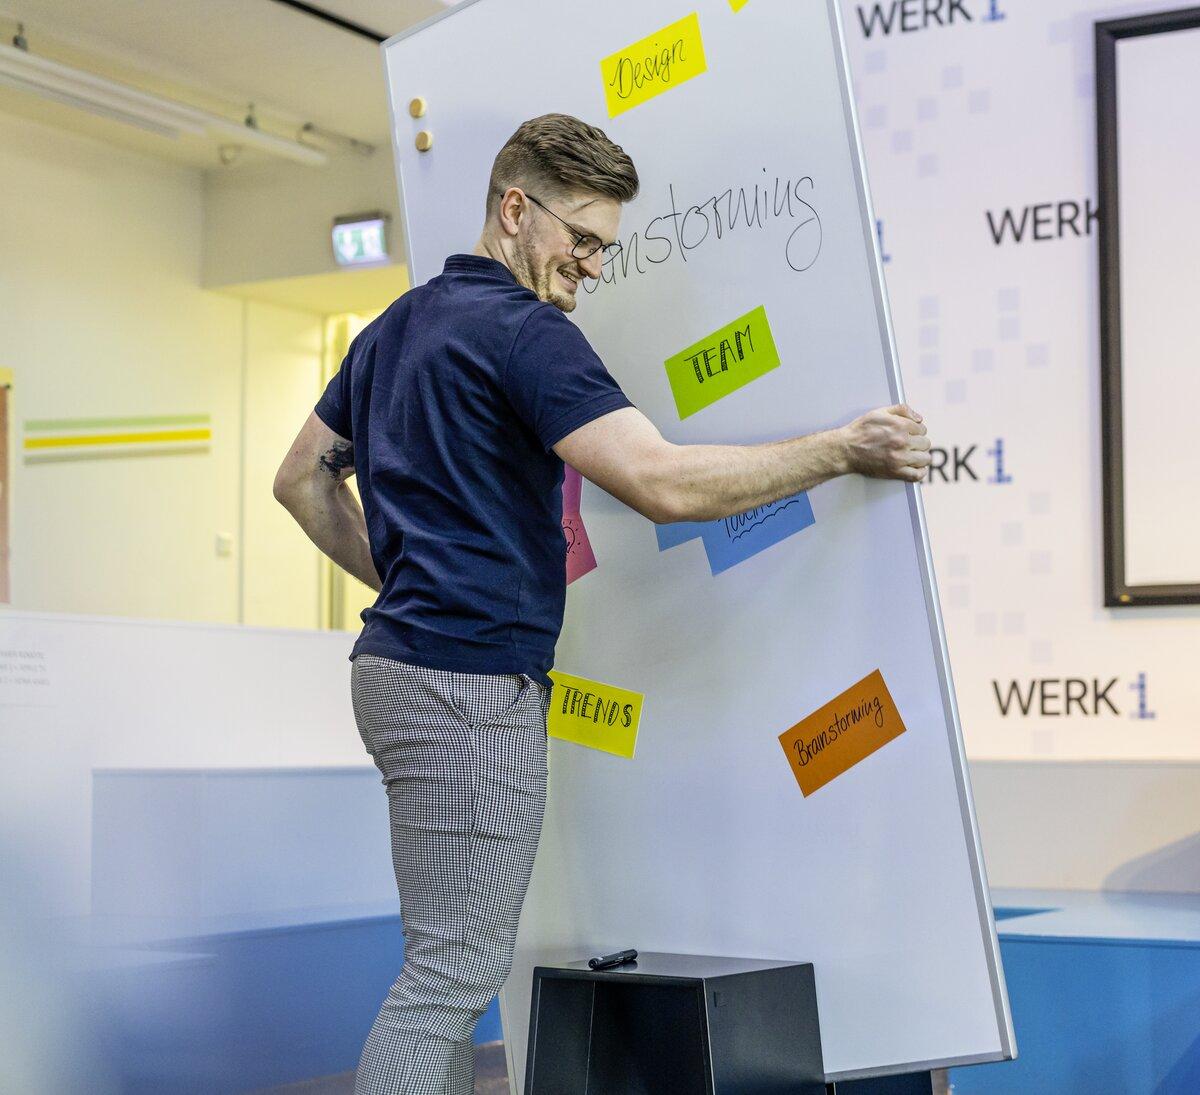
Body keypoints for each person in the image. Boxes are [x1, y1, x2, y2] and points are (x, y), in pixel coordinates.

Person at [274, 113, 931, 1095]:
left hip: (399, 674)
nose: (587, 268)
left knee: (442, 971)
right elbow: (660, 483)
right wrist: (843, 449)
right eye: (579, 240)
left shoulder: (397, 327)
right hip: (467, 687)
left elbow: (301, 482)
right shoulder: (525, 335)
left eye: (602, 251)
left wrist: (407, 583)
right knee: (447, 981)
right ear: (513, 208)